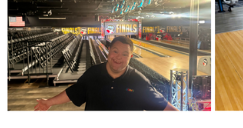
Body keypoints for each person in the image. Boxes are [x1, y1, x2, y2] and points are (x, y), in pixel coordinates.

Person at [34, 36, 177, 111]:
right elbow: (74, 92)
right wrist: (48, 102)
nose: (118, 57)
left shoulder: (138, 81)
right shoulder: (93, 74)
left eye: (124, 54)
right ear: (109, 52)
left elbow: (165, 108)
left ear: (130, 57)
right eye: (115, 51)